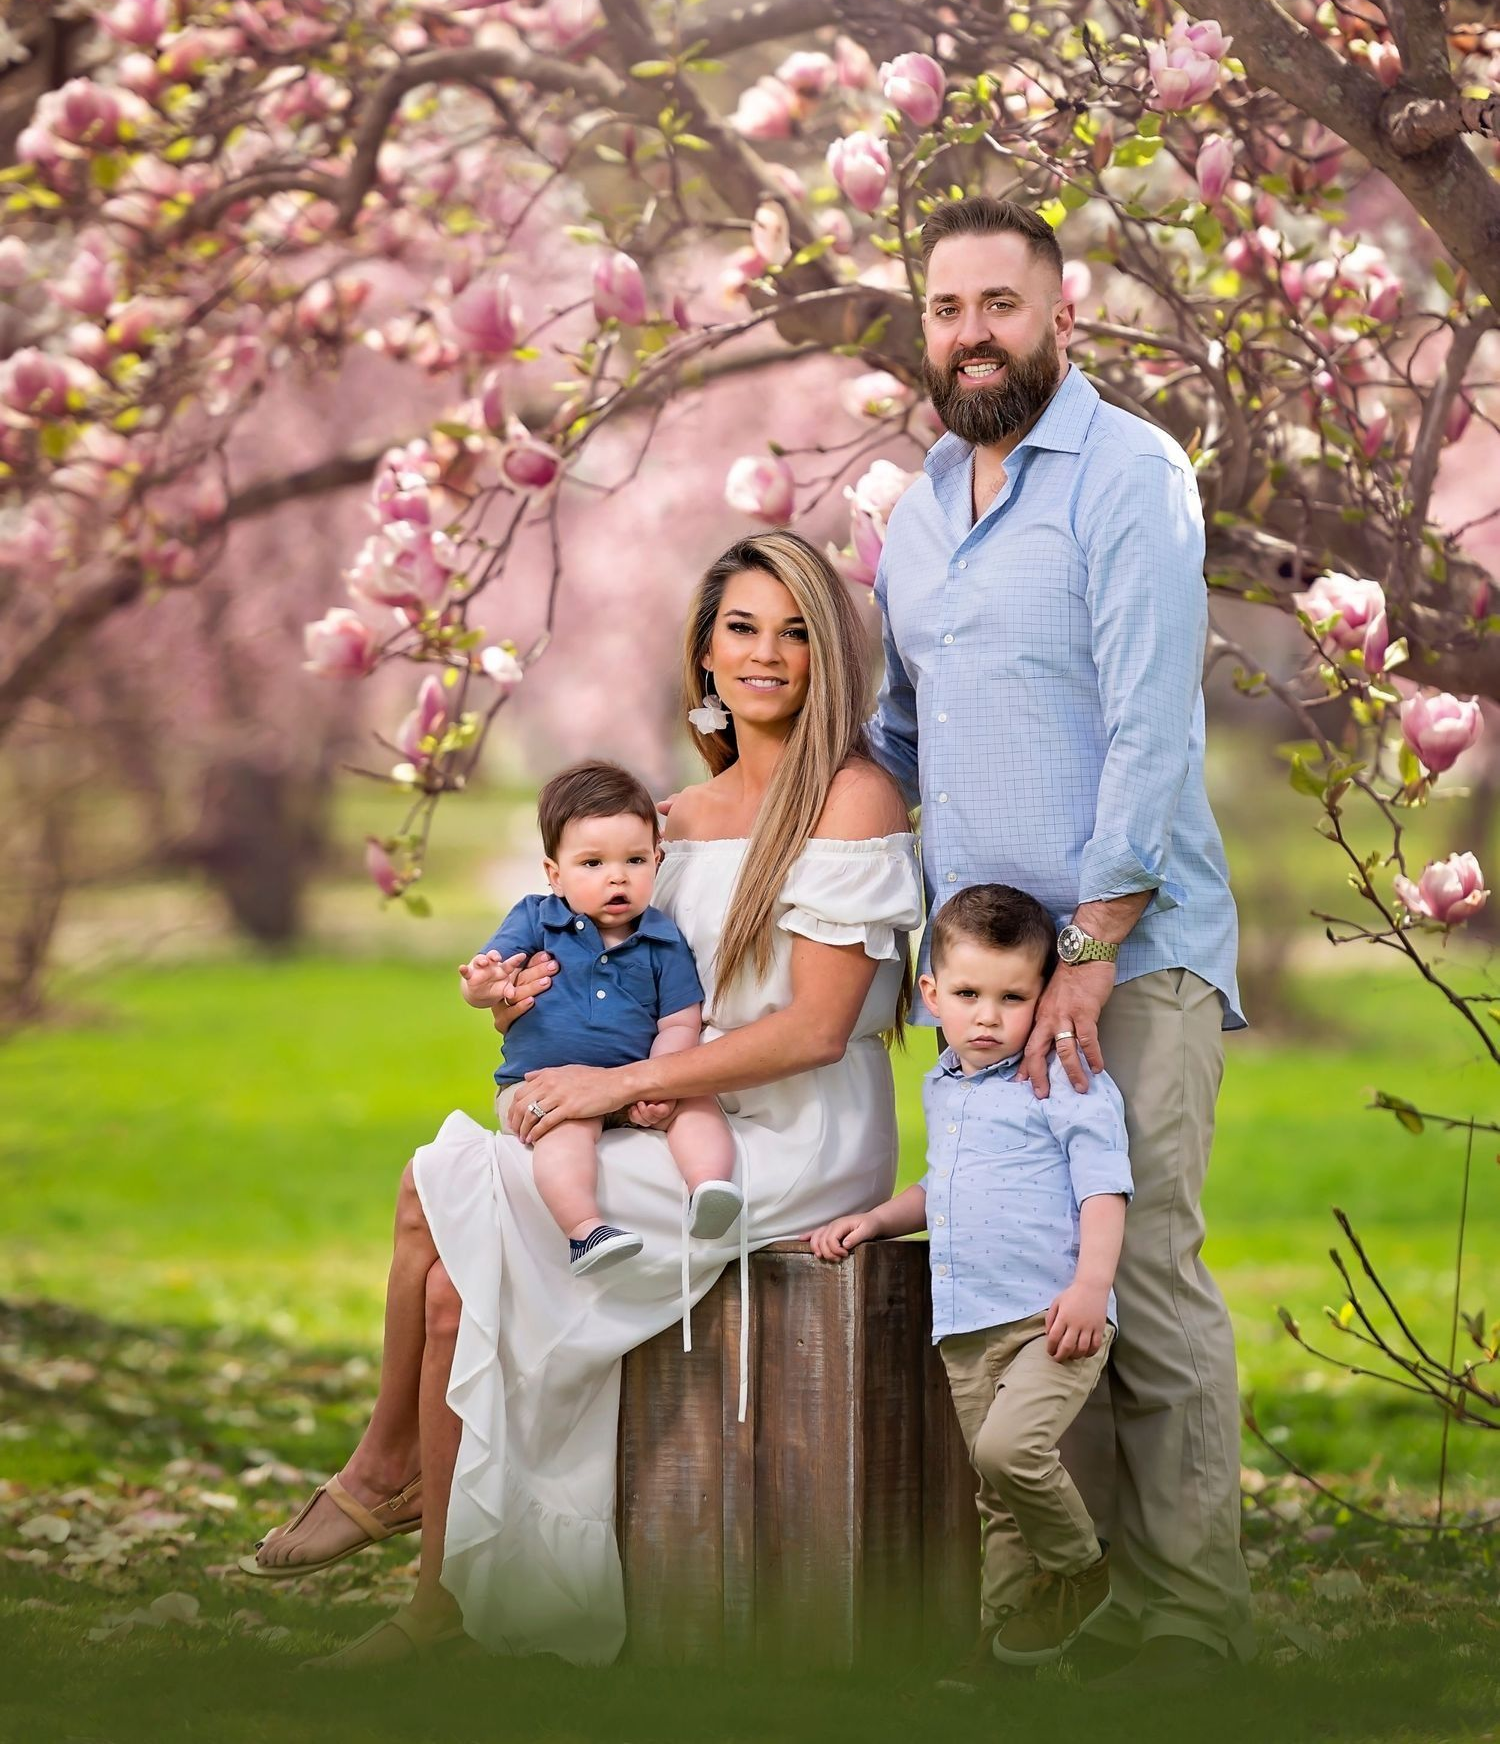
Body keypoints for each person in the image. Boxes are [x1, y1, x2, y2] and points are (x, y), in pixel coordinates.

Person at [239, 530, 920, 1668]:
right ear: (704, 648)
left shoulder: (851, 798)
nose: (767, 654)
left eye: (798, 631)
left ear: (831, 657)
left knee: (432, 1182)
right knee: (456, 1287)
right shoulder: (669, 821)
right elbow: (618, 997)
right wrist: (518, 1009)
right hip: (665, 1113)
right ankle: (435, 1605)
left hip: (792, 1139)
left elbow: (811, 1030)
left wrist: (622, 1085)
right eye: (742, 627)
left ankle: (381, 1472)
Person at [867, 193, 1254, 1687]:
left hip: (1124, 958)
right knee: (1025, 1277)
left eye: (999, 306)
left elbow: (1155, 730)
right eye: (948, 308)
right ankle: (1067, 1610)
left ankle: (1195, 1622)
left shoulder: (1128, 476)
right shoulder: (913, 509)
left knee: (1140, 1273)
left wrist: (1091, 948)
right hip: (986, 981)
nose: (971, 335)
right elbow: (896, 737)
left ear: (1060, 315)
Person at [808, 884, 1131, 1670]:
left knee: (1008, 1456)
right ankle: (1011, 1645)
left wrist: (1092, 1287)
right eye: (968, 994)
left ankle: (1086, 1572)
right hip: (967, 1325)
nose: (988, 1016)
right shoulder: (946, 1085)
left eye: (1013, 996)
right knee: (1000, 1501)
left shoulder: (1062, 1074)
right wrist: (879, 1219)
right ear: (930, 997)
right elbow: (944, 1183)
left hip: (1049, 1317)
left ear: (1044, 993)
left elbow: (1103, 1184)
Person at [459, 759, 740, 1275]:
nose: (617, 876)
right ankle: (585, 1231)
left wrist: (661, 1084)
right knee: (565, 1133)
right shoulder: (536, 918)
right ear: (554, 873)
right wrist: (483, 984)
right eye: (592, 864)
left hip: (633, 1086)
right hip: (543, 1088)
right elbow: (494, 979)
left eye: (634, 860)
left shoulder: (661, 938)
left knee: (698, 1105)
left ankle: (709, 1189)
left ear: (657, 861)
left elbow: (679, 1021)